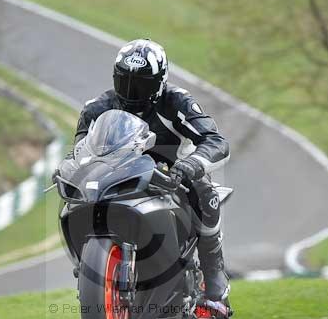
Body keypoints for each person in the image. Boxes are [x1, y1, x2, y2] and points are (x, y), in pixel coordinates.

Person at [73, 39, 231, 301]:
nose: (132, 91)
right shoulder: (96, 108)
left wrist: (190, 165)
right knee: (78, 197)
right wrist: (70, 169)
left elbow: (216, 142)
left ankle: (213, 268)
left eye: (142, 83)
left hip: (171, 173)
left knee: (204, 189)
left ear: (160, 81)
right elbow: (79, 152)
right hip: (119, 173)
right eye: (126, 81)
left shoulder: (177, 102)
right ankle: (90, 268)